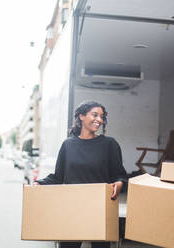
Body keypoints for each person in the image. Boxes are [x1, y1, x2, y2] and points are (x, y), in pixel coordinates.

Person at [34, 100, 128, 248]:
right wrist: (40, 183)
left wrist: (120, 183)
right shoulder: (68, 145)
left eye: (101, 117)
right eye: (95, 115)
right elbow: (58, 176)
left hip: (100, 209)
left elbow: (120, 175)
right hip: (73, 208)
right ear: (81, 116)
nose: (99, 120)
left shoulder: (109, 144)